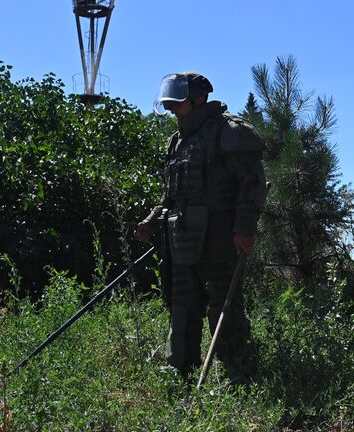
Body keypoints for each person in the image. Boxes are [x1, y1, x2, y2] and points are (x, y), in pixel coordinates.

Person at [135, 72, 267, 384]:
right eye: (168, 103)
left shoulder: (227, 131)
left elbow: (253, 182)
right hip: (181, 240)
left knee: (224, 308)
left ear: (199, 100)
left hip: (220, 238)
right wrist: (152, 221)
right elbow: (173, 197)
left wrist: (244, 228)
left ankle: (237, 376)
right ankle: (179, 372)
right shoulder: (178, 141)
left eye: (176, 102)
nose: (171, 108)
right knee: (182, 306)